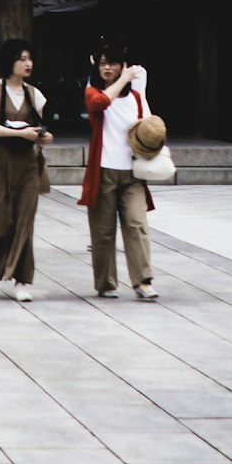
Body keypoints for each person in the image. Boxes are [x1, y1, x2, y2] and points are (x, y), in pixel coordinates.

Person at [0, 40, 51, 301]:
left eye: (29, 58)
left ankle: (21, 281)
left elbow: (42, 129)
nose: (27, 63)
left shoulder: (35, 94)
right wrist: (20, 132)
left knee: (24, 222)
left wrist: (43, 137)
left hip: (27, 165)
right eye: (21, 58)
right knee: (1, 222)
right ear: (9, 62)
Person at [77, 40, 160, 300]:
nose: (107, 67)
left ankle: (143, 281)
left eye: (112, 62)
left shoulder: (135, 98)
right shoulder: (93, 92)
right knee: (102, 232)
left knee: (137, 224)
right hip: (102, 173)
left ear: (124, 65)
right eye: (103, 63)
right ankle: (105, 283)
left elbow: (146, 127)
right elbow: (100, 103)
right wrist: (123, 79)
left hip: (132, 174)